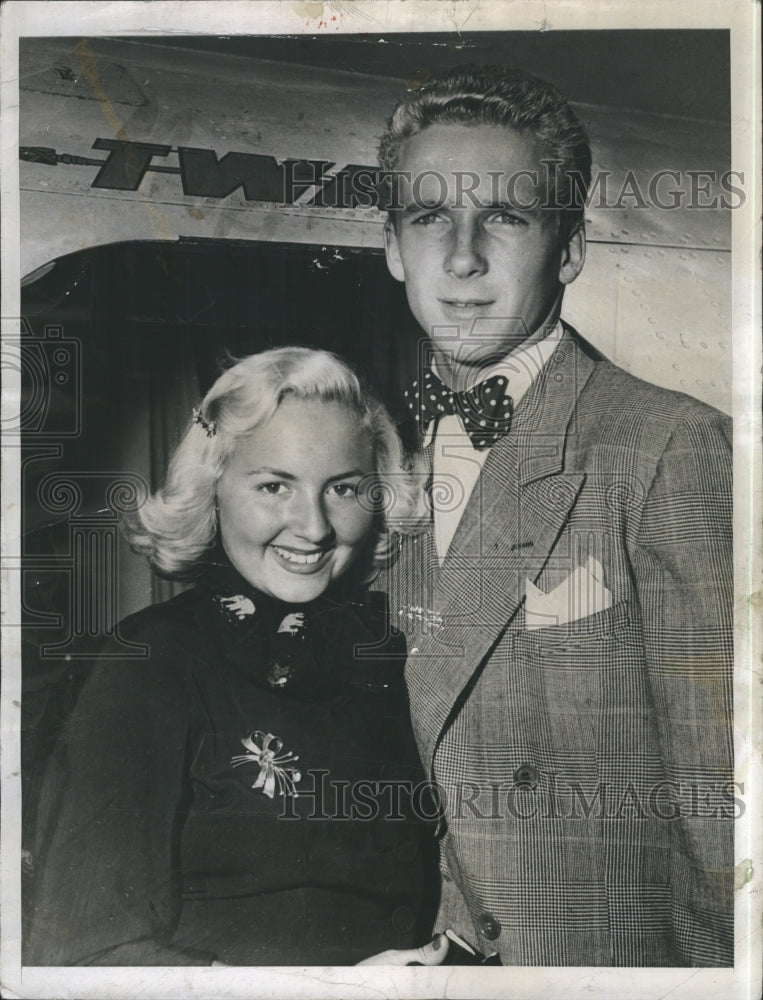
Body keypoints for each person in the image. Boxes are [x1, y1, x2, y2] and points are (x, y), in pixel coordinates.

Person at [377, 65, 734, 966]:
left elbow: (719, 799)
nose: (461, 257)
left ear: (568, 249)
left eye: (504, 216)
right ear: (391, 248)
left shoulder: (669, 445)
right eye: (429, 218)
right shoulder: (371, 459)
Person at [23, 346, 440, 966]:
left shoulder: (393, 654)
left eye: (344, 488)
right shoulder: (150, 661)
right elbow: (84, 957)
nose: (314, 527)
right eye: (275, 486)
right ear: (212, 489)